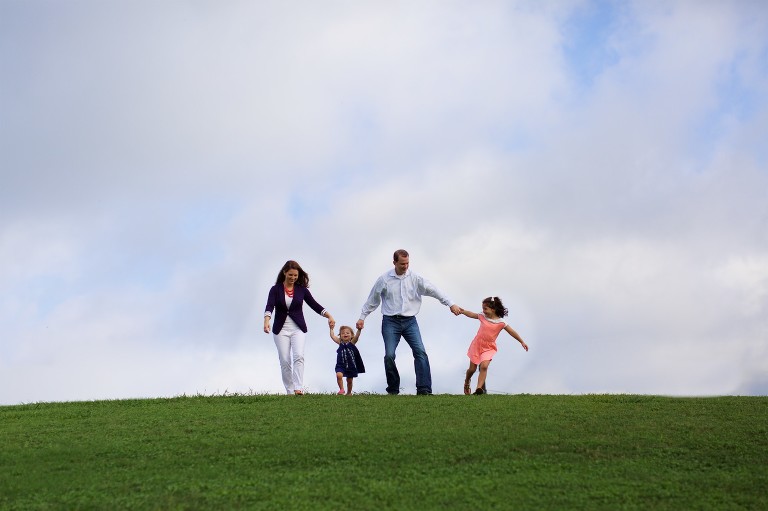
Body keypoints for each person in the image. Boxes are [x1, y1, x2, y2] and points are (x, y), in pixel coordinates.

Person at [356, 249, 462, 395]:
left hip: (410, 322)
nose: (405, 266)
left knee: (420, 352)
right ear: (394, 263)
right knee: (389, 355)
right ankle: (393, 389)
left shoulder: (415, 278)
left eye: (407, 263)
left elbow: (433, 290)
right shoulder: (384, 279)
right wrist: (362, 317)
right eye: (402, 264)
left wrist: (450, 304)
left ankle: (424, 389)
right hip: (390, 322)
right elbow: (373, 300)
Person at [264, 260, 335, 395]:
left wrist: (329, 316)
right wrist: (266, 320)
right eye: (290, 275)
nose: (293, 278)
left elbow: (315, 305)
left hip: (298, 329)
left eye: (295, 275)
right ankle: (290, 390)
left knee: (299, 356)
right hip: (280, 330)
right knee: (285, 360)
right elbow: (269, 306)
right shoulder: (275, 289)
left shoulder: (302, 290)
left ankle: (298, 388)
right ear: (285, 272)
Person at [459, 296, 528, 395]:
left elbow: (512, 332)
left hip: (488, 348)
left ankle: (479, 389)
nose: (483, 311)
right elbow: (471, 314)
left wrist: (522, 341)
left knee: (484, 366)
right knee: (472, 369)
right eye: (483, 308)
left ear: (493, 309)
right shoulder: (482, 316)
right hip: (477, 345)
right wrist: (463, 311)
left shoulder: (501, 323)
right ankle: (467, 382)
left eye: (485, 309)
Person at [329, 325, 365, 395]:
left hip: (351, 366)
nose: (345, 334)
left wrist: (359, 330)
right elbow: (332, 336)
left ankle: (349, 392)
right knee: (339, 375)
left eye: (347, 333)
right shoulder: (340, 343)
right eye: (343, 333)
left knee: (349, 380)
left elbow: (357, 337)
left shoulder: (352, 343)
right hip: (341, 365)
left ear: (351, 335)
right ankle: (341, 389)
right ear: (340, 335)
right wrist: (331, 328)